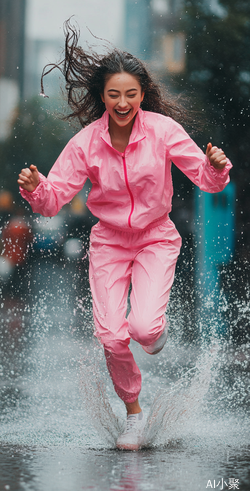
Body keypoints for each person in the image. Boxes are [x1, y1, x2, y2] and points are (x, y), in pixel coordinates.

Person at [17, 21, 232, 451]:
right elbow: (53, 198)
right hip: (110, 243)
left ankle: (155, 333)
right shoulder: (85, 144)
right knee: (112, 335)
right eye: (114, 94)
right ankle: (134, 415)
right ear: (102, 96)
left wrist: (217, 165)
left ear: (141, 94)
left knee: (144, 329)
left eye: (130, 94)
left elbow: (207, 181)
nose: (122, 102)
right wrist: (34, 189)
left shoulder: (163, 131)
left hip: (156, 237)